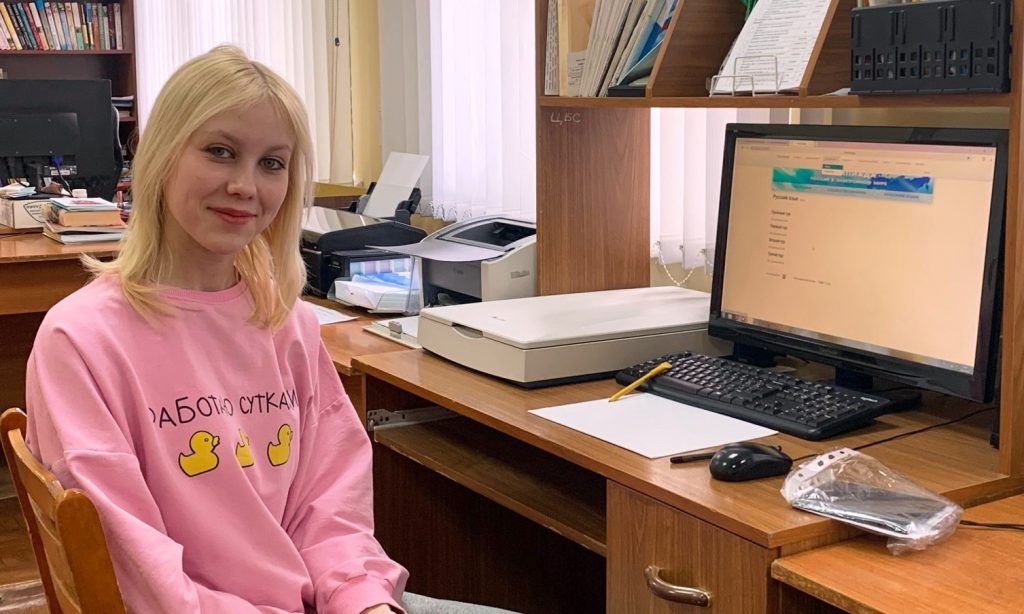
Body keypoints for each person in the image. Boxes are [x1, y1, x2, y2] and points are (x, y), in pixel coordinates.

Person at [24, 45, 510, 614]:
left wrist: (362, 600)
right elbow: (132, 566)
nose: (245, 185)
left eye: (272, 163)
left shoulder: (288, 324)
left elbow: (331, 508)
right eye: (220, 151)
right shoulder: (81, 340)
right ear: (161, 154)